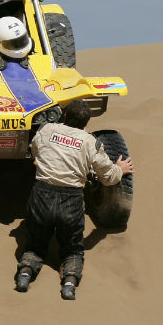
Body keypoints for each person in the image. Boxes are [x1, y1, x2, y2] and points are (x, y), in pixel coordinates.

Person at [14, 99, 135, 300]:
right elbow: (108, 178)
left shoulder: (46, 130)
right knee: (72, 250)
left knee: (34, 246)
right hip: (71, 201)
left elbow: (35, 150)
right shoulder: (90, 142)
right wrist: (120, 170)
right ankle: (69, 284)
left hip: (41, 196)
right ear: (86, 123)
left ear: (64, 115)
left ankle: (24, 275)